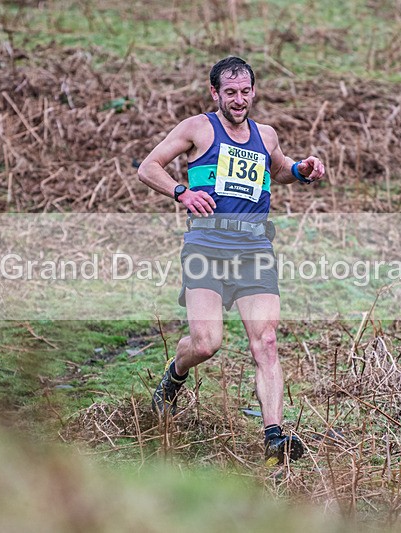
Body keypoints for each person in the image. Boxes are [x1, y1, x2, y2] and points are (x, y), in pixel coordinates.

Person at [137, 56, 325, 465]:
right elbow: (148, 167)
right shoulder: (197, 128)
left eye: (245, 92)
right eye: (230, 93)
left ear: (253, 92)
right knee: (207, 344)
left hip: (254, 249)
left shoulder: (266, 134)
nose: (239, 100)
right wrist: (181, 192)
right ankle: (174, 377)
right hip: (206, 247)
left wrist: (302, 169)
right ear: (215, 93)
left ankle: (274, 437)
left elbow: (281, 170)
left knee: (267, 342)